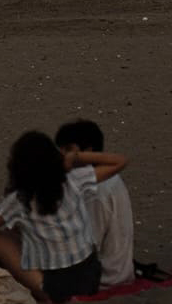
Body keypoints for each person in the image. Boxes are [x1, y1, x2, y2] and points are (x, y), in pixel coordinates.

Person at [0, 131, 127, 304]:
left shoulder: (20, 200)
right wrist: (75, 157)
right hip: (90, 277)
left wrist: (17, 230)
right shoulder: (73, 180)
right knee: (18, 237)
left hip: (56, 290)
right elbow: (120, 161)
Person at [54, 119, 134, 287]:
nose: (61, 155)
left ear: (87, 152)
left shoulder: (96, 189)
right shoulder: (102, 180)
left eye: (68, 150)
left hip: (103, 278)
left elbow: (87, 247)